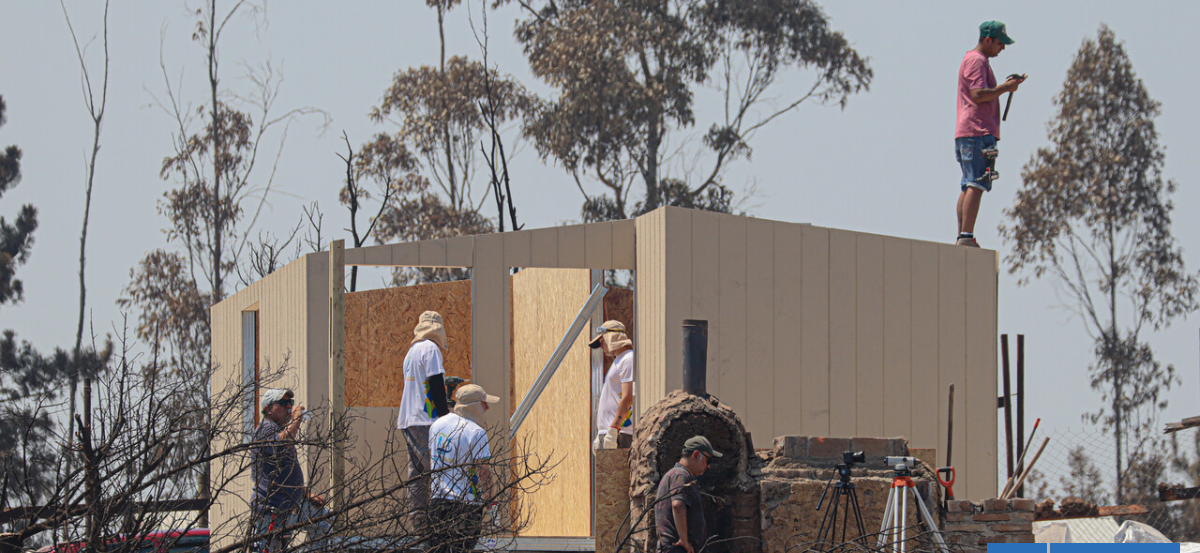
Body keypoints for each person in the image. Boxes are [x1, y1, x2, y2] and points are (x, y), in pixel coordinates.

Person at [955, 20, 1026, 248]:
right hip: (977, 131)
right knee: (976, 184)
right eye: (999, 43)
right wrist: (1005, 88)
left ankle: (963, 236)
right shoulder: (976, 61)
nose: (1002, 48)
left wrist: (1005, 86)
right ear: (988, 40)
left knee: (969, 184)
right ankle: (966, 236)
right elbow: (978, 94)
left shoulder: (976, 60)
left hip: (969, 131)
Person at [251, 388, 325, 553]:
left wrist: (306, 494)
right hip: (272, 508)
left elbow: (285, 475)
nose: (288, 407)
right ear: (268, 409)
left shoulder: (278, 430)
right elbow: (280, 444)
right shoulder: (265, 429)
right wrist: (297, 419)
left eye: (290, 403)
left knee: (323, 525)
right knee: (269, 548)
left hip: (293, 504)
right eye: (283, 403)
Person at [397, 311, 452, 531]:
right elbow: (436, 382)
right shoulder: (430, 349)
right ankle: (442, 518)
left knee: (417, 474)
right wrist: (445, 417)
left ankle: (418, 520)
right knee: (438, 469)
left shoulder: (411, 352)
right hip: (425, 418)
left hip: (408, 419)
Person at [428, 384, 499, 553]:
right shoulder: (475, 432)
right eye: (484, 404)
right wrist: (490, 502)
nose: (487, 408)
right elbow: (483, 472)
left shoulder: (437, 425)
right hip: (465, 507)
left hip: (437, 505)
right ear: (474, 406)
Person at [654, 436, 722, 553]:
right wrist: (684, 540)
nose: (708, 466)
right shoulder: (681, 475)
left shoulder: (675, 474)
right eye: (708, 461)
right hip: (677, 549)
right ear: (696, 455)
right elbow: (677, 505)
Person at [589, 320, 634, 449]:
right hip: (610, 432)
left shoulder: (628, 359)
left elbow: (627, 397)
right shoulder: (619, 360)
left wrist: (614, 429)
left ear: (611, 337)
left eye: (602, 341)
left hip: (620, 433)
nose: (601, 347)